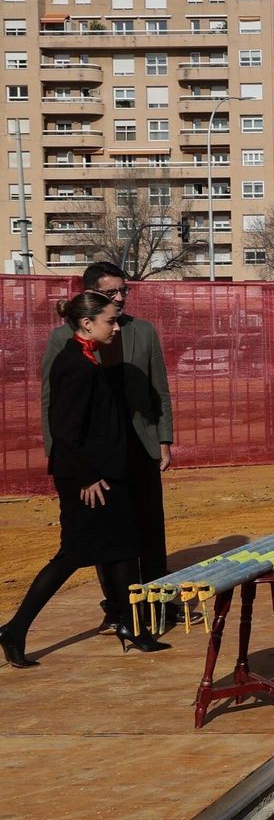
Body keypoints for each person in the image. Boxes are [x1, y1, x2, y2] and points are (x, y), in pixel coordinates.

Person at [2, 291, 171, 666]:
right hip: (88, 480)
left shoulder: (86, 358)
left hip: (106, 474)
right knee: (74, 555)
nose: (116, 327)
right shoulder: (75, 365)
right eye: (110, 321)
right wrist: (87, 477)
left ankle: (132, 626)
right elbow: (65, 430)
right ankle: (14, 629)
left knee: (124, 548)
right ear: (86, 323)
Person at [40, 262, 175, 622]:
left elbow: (159, 389)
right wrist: (64, 458)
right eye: (110, 292)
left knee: (149, 525)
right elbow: (52, 404)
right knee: (110, 534)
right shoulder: (64, 340)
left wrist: (163, 439)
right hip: (96, 453)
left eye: (123, 290)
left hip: (140, 443)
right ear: (90, 295)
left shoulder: (143, 331)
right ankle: (118, 609)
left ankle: (159, 603)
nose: (120, 298)